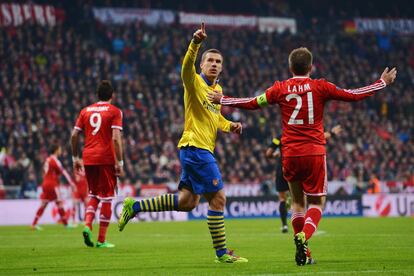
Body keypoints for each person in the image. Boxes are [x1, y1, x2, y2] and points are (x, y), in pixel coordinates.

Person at [208, 47, 397, 265]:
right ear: (310, 67)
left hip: (290, 154)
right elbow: (353, 95)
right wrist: (381, 83)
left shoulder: (280, 88)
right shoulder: (321, 86)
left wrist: (224, 99)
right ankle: (303, 238)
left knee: (297, 204)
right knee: (316, 204)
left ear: (290, 68)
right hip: (315, 152)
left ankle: (305, 255)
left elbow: (252, 103)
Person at [118, 23, 247, 263]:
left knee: (187, 202)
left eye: (218, 62)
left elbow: (215, 118)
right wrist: (196, 43)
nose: (215, 64)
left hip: (195, 150)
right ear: (202, 65)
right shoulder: (194, 81)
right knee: (219, 199)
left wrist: (231, 126)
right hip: (196, 148)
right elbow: (186, 67)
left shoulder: (217, 90)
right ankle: (222, 254)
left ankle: (134, 207)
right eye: (210, 61)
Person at [71, 80, 124, 248]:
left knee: (93, 195)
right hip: (106, 158)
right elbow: (115, 138)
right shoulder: (114, 111)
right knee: (107, 197)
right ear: (112, 95)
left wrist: (75, 158)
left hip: (88, 157)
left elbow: (74, 135)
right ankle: (101, 240)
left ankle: (87, 226)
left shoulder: (85, 111)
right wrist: (120, 161)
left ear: (97, 95)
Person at [266, 125, 342, 235]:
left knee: (282, 199)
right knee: (302, 201)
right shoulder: (301, 135)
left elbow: (268, 153)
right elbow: (320, 137)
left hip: (282, 168)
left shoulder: (279, 138)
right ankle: (305, 228)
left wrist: (276, 155)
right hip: (297, 165)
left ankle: (284, 225)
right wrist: (332, 133)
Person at [32, 144, 76, 230]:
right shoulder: (55, 160)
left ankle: (34, 224)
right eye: (59, 149)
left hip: (45, 183)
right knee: (59, 203)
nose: (60, 151)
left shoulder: (47, 160)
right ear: (56, 150)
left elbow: (47, 172)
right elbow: (63, 172)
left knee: (44, 204)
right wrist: (71, 183)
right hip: (52, 184)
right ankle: (66, 224)